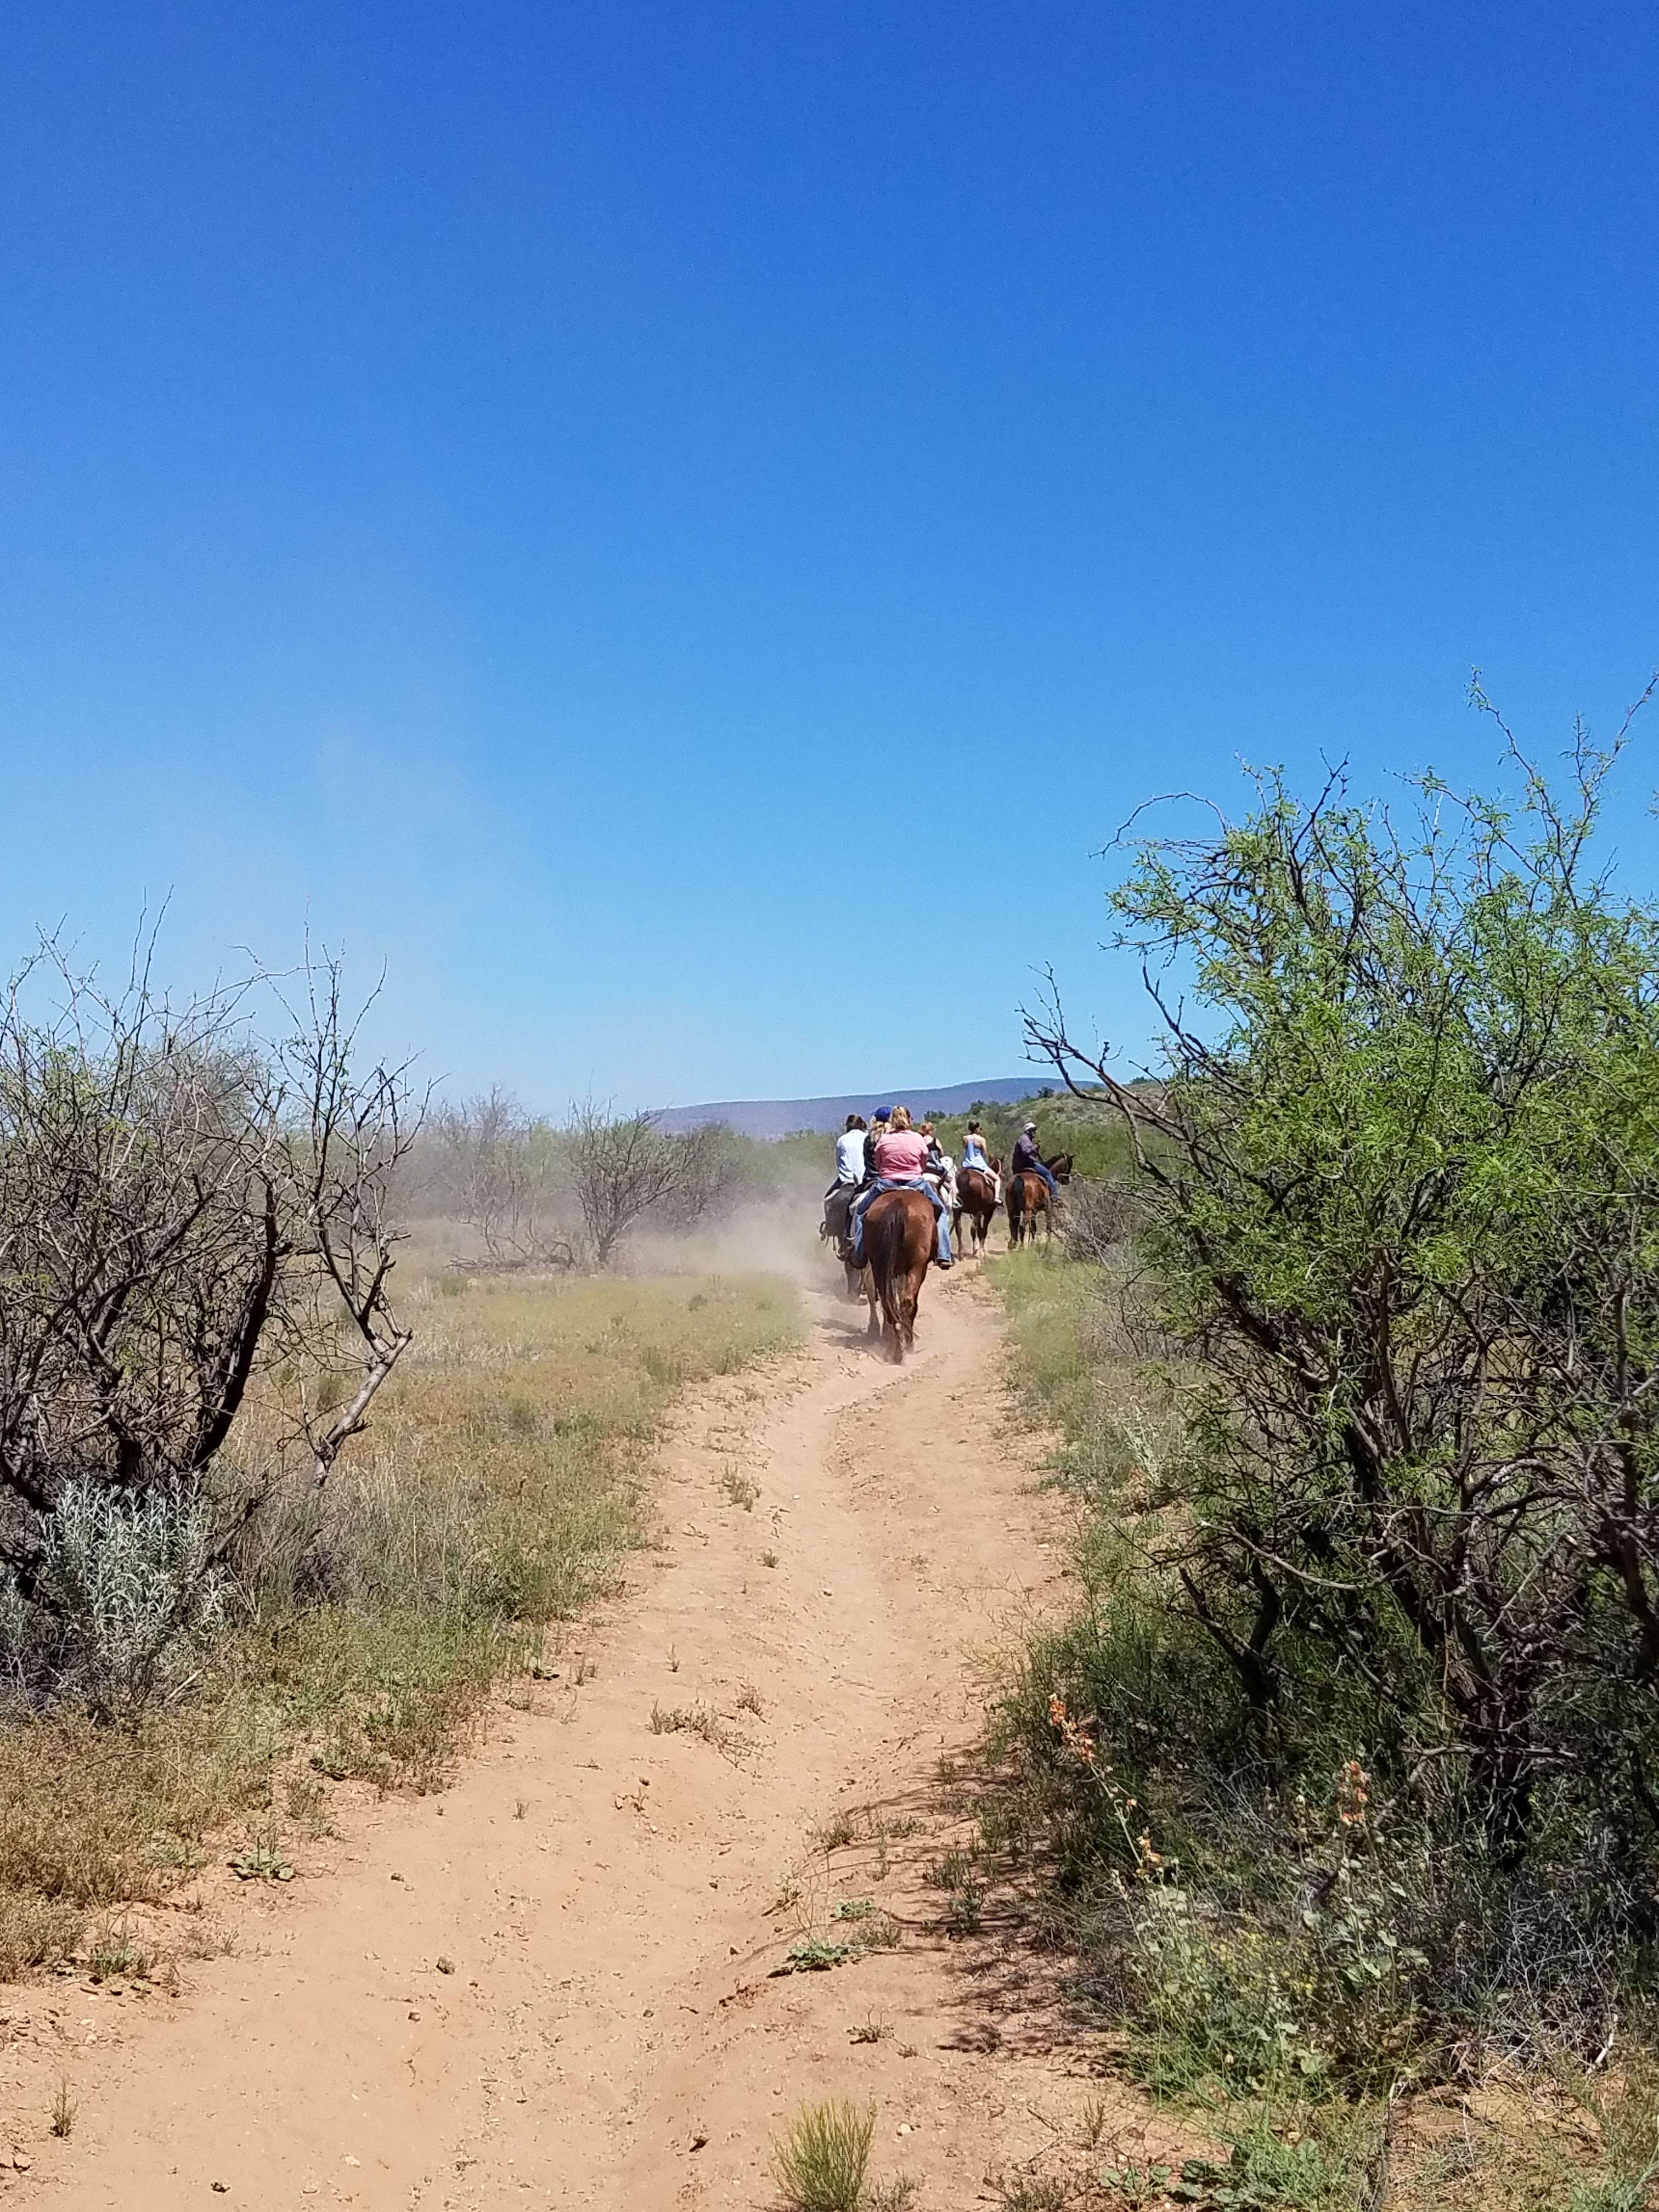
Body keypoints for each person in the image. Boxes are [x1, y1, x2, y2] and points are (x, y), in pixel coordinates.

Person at [849, 1104, 952, 1268]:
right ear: (909, 1120)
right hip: (915, 1183)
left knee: (861, 1212)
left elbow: (879, 1163)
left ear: (892, 1121)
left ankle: (860, 1255)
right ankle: (944, 1254)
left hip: (886, 1183)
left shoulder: (884, 1139)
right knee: (941, 1212)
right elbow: (923, 1164)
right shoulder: (918, 1138)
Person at [821, 1114, 866, 1248]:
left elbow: (840, 1163)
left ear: (847, 1126)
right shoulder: (868, 1137)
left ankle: (836, 1232)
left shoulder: (842, 1140)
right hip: (868, 1178)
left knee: (828, 1200)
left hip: (848, 1180)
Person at [1009, 1119, 1058, 1200]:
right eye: (1033, 1131)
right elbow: (1026, 1152)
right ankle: (1054, 1196)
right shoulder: (1024, 1139)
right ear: (1028, 1131)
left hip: (1019, 1165)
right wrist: (1035, 1147)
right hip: (1027, 1164)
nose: (1034, 1133)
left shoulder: (1026, 1139)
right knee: (1048, 1174)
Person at [960, 1119, 1000, 1202]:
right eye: (980, 1128)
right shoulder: (981, 1140)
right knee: (997, 1179)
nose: (980, 1130)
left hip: (967, 1165)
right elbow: (984, 1154)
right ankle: (997, 1198)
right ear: (976, 1129)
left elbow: (965, 1148)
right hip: (980, 1165)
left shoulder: (965, 1138)